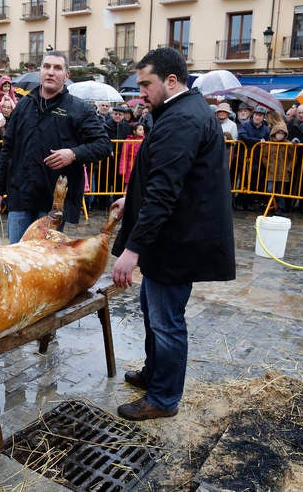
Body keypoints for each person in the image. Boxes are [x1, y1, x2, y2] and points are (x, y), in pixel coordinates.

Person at [111, 47, 235, 421]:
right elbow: (162, 177)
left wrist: (132, 250)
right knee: (154, 313)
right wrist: (128, 199)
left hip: (177, 242)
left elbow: (165, 191)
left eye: (146, 84)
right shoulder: (182, 111)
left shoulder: (182, 119)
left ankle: (163, 399)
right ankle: (155, 374)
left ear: (170, 80)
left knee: (166, 322)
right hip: (171, 238)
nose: (141, 93)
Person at [0, 51, 111, 243]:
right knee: (18, 262)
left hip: (53, 203)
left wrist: (73, 153)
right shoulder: (23, 106)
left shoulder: (79, 109)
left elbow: (103, 145)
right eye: (46, 67)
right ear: (40, 72)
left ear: (66, 75)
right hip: (20, 198)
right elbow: (8, 149)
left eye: (57, 68)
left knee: (44, 265)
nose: (51, 72)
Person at [260, 123, 296, 213]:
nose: (280, 135)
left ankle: (280, 207)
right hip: (271, 171)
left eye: (282, 134)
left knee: (281, 191)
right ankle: (271, 205)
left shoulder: (288, 144)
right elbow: (264, 156)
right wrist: (267, 165)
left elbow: (293, 157)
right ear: (274, 133)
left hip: (283, 171)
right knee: (269, 189)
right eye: (278, 133)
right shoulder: (269, 144)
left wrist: (289, 167)